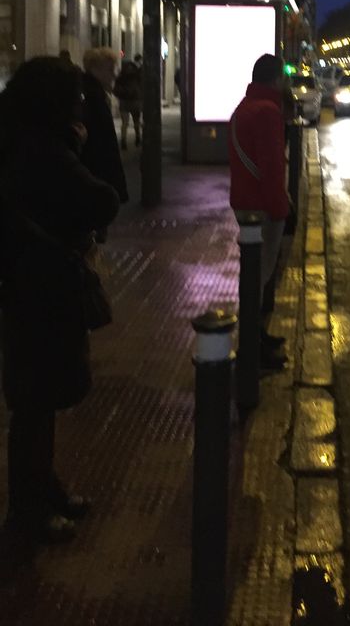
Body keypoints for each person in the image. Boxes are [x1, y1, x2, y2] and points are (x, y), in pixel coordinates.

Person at [0, 57, 120, 551]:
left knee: (36, 399)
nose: (81, 106)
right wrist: (78, 144)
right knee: (36, 400)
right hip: (42, 286)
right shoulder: (45, 150)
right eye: (75, 98)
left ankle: (42, 489)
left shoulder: (14, 138)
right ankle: (27, 512)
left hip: (22, 283)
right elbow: (101, 199)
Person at [228, 54, 290, 372]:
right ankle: (253, 347)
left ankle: (256, 336)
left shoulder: (245, 106)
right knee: (259, 276)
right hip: (262, 206)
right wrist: (281, 208)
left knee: (254, 274)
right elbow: (272, 166)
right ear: (276, 79)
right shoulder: (268, 111)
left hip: (245, 200)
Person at [81, 47, 128, 204]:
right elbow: (103, 147)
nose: (114, 74)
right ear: (96, 70)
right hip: (96, 179)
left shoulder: (94, 95)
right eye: (110, 69)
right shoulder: (94, 99)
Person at [113, 56, 142, 150]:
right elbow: (141, 86)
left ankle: (123, 140)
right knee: (136, 121)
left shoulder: (121, 76)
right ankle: (138, 137)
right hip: (135, 101)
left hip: (124, 101)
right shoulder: (137, 75)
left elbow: (115, 89)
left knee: (124, 122)